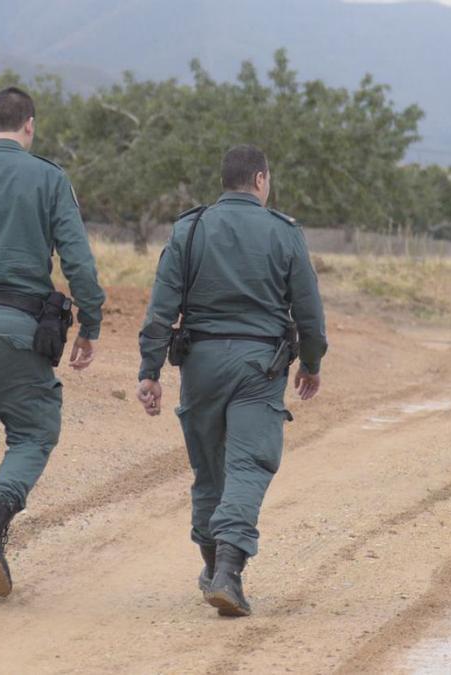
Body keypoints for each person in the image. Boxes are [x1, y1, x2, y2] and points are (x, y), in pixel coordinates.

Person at [135, 145, 328, 617]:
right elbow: (309, 311)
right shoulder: (284, 232)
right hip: (258, 368)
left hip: (198, 363)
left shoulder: (191, 228)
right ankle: (228, 570)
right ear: (260, 180)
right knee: (248, 465)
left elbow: (162, 306)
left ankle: (212, 564)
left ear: (225, 181)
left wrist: (150, 370)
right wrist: (311, 362)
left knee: (209, 469)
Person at [0, 86, 105, 603]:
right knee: (35, 432)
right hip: (20, 323)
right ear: (30, 126)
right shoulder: (49, 178)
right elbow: (77, 260)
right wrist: (91, 321)